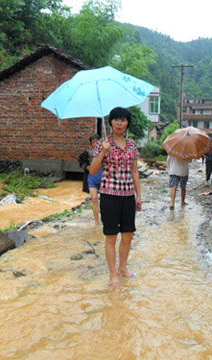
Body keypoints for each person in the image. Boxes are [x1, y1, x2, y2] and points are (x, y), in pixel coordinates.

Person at [89, 107, 141, 286]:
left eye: (123, 120)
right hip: (109, 195)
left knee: (128, 234)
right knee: (111, 236)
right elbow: (93, 170)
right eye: (116, 119)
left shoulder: (132, 144)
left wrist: (138, 195)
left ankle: (123, 267)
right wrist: (103, 152)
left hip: (128, 196)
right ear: (110, 122)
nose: (119, 123)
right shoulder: (103, 143)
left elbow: (134, 170)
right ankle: (113, 274)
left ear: (127, 123)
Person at [85, 134, 103, 225]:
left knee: (104, 202)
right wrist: (87, 167)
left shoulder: (105, 152)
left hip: (104, 180)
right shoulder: (88, 153)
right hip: (92, 179)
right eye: (93, 142)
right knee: (94, 199)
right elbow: (82, 163)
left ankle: (105, 219)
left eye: (97, 142)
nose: (95, 144)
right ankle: (97, 222)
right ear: (91, 144)